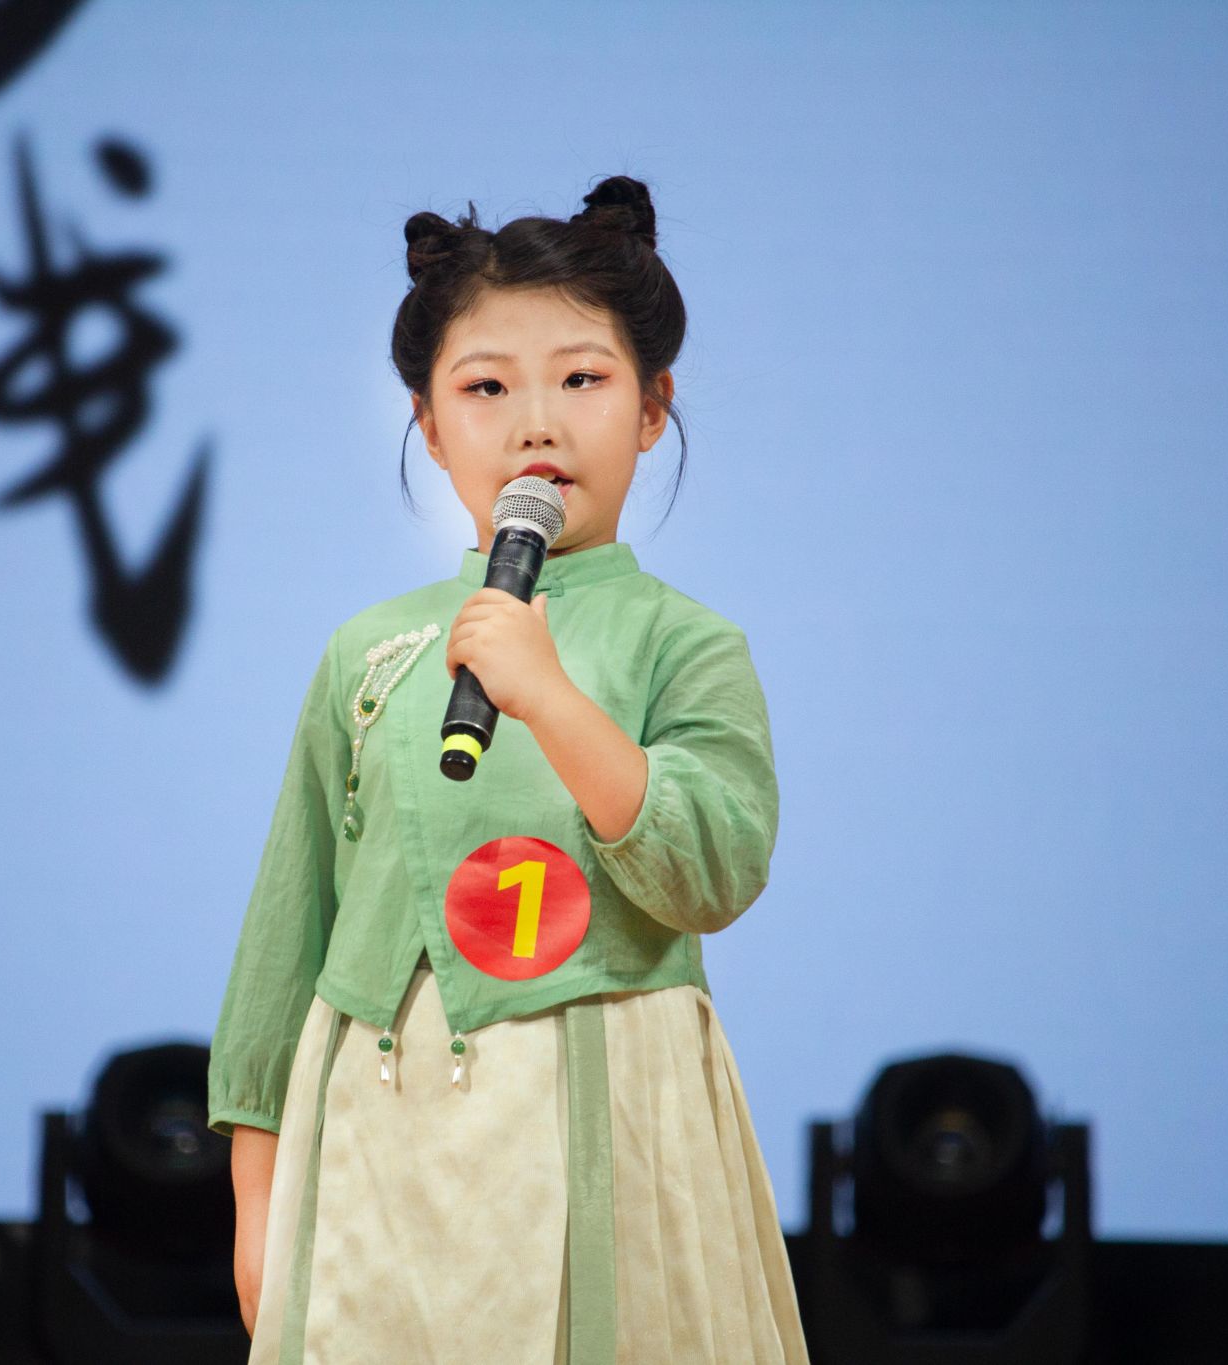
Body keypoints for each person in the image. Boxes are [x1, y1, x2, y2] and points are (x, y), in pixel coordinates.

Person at [207, 174, 809, 1364]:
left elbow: (712, 870)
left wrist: (547, 695)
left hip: (608, 1117)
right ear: (430, 427)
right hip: (376, 1138)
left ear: (652, 407)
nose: (536, 424)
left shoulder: (685, 642)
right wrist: (257, 1201)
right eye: (485, 388)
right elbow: (286, 936)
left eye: (581, 379)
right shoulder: (368, 650)